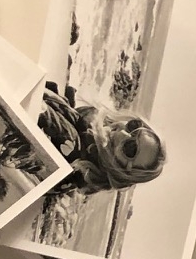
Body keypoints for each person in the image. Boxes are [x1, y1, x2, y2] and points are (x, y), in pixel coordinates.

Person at [37, 84, 166, 195]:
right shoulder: (89, 133)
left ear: (123, 171)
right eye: (133, 126)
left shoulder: (72, 149)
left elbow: (36, 108)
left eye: (131, 148)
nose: (122, 132)